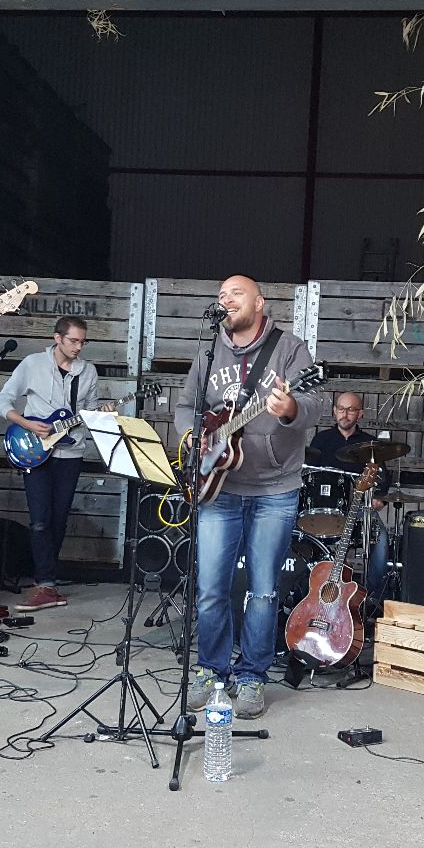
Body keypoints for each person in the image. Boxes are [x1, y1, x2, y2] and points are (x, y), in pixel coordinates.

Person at [174, 275, 326, 718]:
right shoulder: (208, 351)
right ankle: (211, 669)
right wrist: (194, 436)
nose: (225, 299)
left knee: (262, 590)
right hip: (217, 487)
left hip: (275, 488)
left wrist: (291, 409)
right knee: (210, 589)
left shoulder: (290, 349)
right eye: (220, 295)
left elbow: (316, 402)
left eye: (235, 293)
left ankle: (251, 676)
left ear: (258, 302)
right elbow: (186, 405)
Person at [0, 315, 99, 612]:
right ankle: (44, 581)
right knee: (40, 519)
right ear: (57, 338)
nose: (79, 347)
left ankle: (47, 582)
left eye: (83, 341)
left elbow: (89, 412)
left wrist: (98, 415)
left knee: (59, 517)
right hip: (34, 451)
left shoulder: (88, 372)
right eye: (73, 341)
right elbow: (1, 401)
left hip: (71, 453)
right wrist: (25, 422)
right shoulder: (32, 365)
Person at [307, 392, 394, 603]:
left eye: (351, 409)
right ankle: (312, 593)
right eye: (341, 409)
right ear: (335, 411)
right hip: (327, 510)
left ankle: (370, 598)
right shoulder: (321, 439)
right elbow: (309, 475)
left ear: (360, 413)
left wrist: (378, 498)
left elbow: (382, 480)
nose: (345, 414)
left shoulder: (370, 444)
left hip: (360, 509)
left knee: (381, 539)